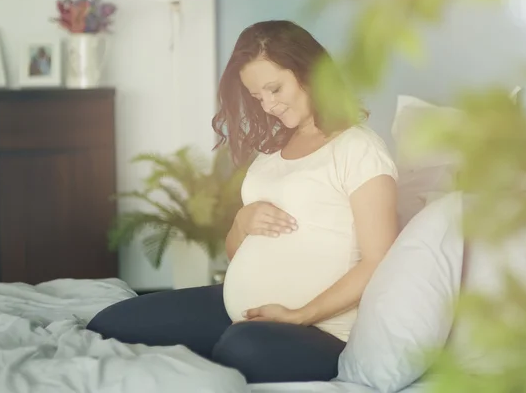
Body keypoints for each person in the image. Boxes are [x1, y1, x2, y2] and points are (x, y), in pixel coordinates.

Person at [87, 20, 399, 384]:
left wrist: (300, 314)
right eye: (257, 96)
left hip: (318, 330)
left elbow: (380, 259)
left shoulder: (357, 148)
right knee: (108, 324)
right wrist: (242, 222)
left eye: (274, 88)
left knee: (243, 347)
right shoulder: (271, 154)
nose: (268, 104)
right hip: (239, 313)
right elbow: (238, 252)